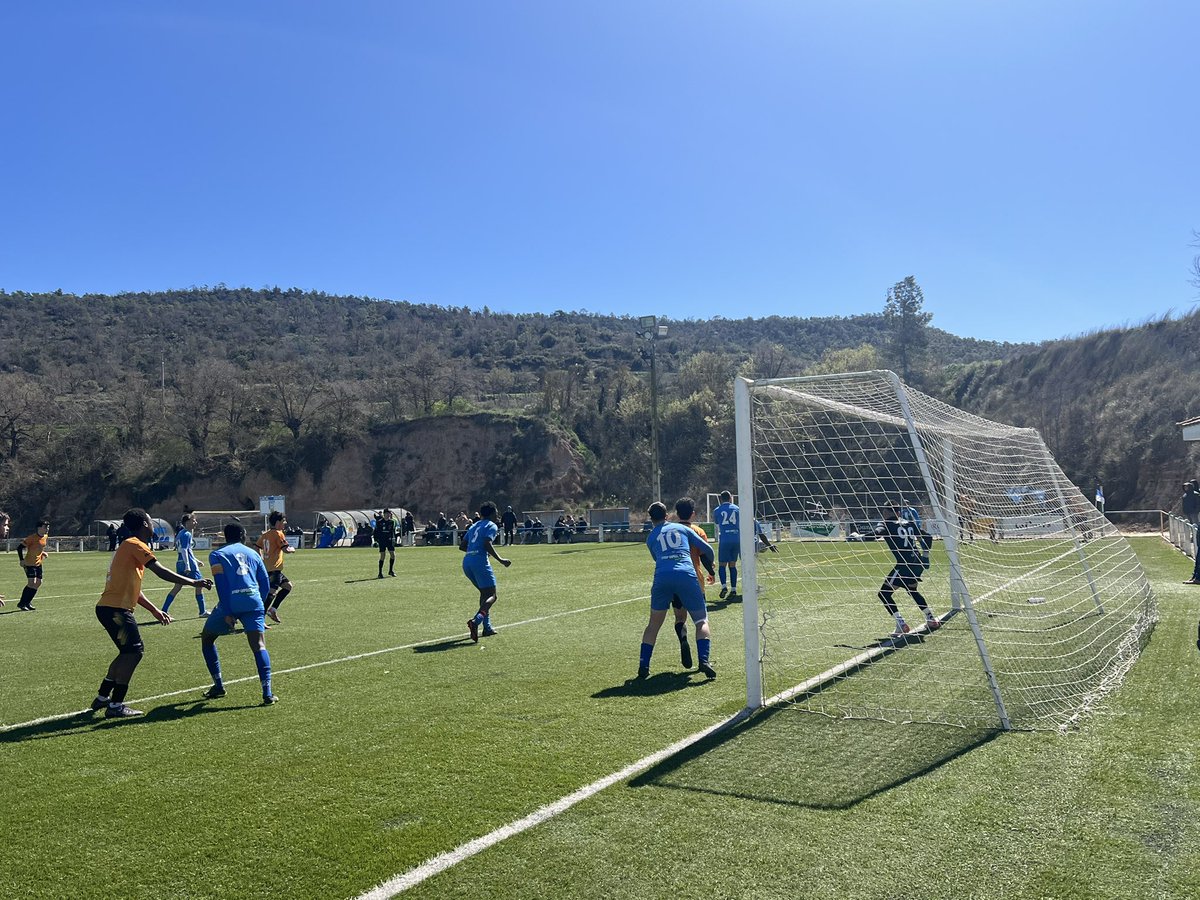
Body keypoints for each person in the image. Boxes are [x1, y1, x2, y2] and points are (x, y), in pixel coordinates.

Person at [90, 508, 213, 719]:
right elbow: (161, 571)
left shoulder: (127, 547)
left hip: (110, 608)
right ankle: (116, 705)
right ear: (146, 524)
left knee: (126, 652)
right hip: (116, 610)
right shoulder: (135, 545)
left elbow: (135, 590)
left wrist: (155, 610)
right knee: (134, 652)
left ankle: (103, 697)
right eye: (149, 520)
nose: (152, 523)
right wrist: (194, 581)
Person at [199, 522, 277, 705]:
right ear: (243, 534)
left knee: (207, 638)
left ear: (226, 537)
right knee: (259, 645)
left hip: (231, 602)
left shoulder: (216, 555)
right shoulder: (253, 554)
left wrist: (227, 611)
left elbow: (221, 584)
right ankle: (267, 693)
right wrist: (259, 606)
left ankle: (218, 686)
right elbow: (265, 584)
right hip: (254, 601)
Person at [640, 501, 717, 680]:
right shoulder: (680, 528)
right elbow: (707, 549)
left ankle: (643, 666)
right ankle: (704, 661)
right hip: (687, 576)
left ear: (651, 519)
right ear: (667, 515)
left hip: (662, 578)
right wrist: (711, 568)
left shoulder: (650, 538)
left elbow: (657, 558)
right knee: (701, 620)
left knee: (653, 625)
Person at [874, 504, 940, 637]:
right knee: (912, 590)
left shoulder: (886, 524)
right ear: (898, 513)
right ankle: (930, 618)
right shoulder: (909, 523)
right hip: (917, 564)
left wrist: (859, 536)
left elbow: (876, 534)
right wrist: (925, 557)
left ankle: (901, 624)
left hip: (903, 566)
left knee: (884, 594)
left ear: (886, 512)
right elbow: (928, 537)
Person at [673, 497, 716, 670]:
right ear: (693, 514)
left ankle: (683, 639)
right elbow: (704, 555)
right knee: (701, 620)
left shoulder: (671, 531)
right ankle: (703, 661)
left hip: (675, 580)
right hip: (694, 580)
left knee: (679, 618)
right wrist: (712, 572)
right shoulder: (698, 531)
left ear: (676, 513)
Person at [463, 501, 512, 643]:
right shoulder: (491, 525)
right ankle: (476, 621)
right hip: (479, 562)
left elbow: (462, 546)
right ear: (491, 513)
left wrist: (473, 551)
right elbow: (486, 542)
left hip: (467, 562)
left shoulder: (473, 526)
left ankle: (487, 627)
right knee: (492, 595)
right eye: (496, 512)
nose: (497, 515)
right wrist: (501, 560)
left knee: (484, 594)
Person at [161, 513, 208, 618]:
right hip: (189, 564)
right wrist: (188, 565)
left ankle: (164, 610)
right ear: (187, 522)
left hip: (180, 563)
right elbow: (184, 550)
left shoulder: (180, 533)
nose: (195, 522)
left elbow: (184, 550)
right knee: (200, 585)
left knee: (177, 587)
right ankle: (202, 611)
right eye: (193, 520)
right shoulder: (187, 534)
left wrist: (196, 560)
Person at [256, 511, 295, 623]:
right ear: (278, 522)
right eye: (283, 521)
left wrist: (261, 558)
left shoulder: (265, 535)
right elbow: (285, 549)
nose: (285, 523)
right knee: (271, 593)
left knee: (288, 586)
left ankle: (272, 610)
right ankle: (260, 620)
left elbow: (257, 547)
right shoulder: (278, 533)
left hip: (269, 568)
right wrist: (292, 549)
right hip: (274, 569)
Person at [713, 491, 742, 599]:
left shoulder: (717, 510)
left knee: (722, 564)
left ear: (721, 499)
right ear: (730, 498)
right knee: (732, 564)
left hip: (725, 539)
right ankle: (734, 589)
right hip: (736, 538)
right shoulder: (737, 509)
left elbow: (716, 522)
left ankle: (724, 586)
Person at [16, 520, 50, 611]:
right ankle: (22, 603)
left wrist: (42, 553)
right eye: (45, 527)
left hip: (38, 563)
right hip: (29, 563)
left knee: (38, 583)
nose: (47, 529)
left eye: (48, 527)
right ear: (39, 527)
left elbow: (38, 548)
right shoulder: (31, 538)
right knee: (32, 582)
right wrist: (21, 560)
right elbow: (19, 548)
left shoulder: (45, 537)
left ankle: (28, 602)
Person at [375, 507, 398, 578]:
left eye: (389, 514)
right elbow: (376, 532)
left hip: (389, 540)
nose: (388, 515)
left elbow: (392, 531)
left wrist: (394, 539)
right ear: (384, 514)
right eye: (387, 513)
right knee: (383, 555)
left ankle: (391, 571)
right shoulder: (379, 522)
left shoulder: (392, 522)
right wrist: (376, 540)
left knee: (393, 555)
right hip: (382, 540)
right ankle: (380, 573)